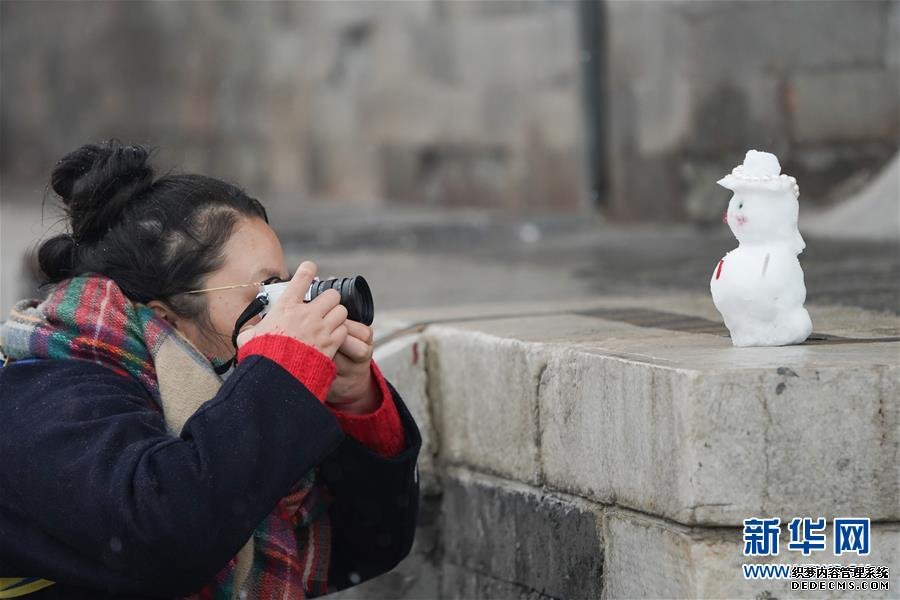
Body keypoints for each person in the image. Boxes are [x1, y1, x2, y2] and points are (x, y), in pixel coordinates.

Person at [0, 140, 422, 599]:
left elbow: (363, 552)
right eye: (266, 290)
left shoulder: (223, 395)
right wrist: (279, 374)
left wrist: (353, 401)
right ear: (166, 317)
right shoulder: (41, 394)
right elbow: (164, 536)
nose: (287, 307)